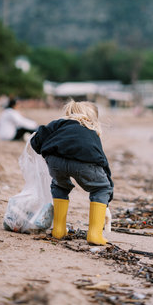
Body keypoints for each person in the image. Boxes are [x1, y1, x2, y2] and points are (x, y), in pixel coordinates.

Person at [30, 99, 114, 245]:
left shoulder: (59, 123)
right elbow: (102, 162)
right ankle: (94, 234)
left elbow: (36, 140)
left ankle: (58, 230)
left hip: (55, 160)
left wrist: (44, 150)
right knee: (101, 188)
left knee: (59, 185)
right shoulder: (91, 130)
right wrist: (107, 200)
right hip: (84, 162)